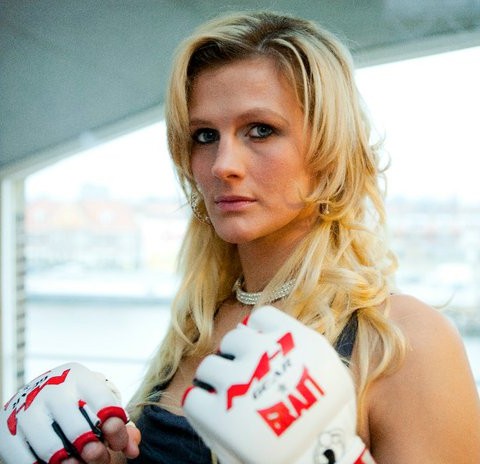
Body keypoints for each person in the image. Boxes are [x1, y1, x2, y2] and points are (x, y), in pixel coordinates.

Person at [1, 10, 480, 464]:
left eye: (260, 130)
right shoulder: (199, 321)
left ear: (328, 150)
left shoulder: (402, 340)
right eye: (205, 136)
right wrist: (89, 447)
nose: (223, 165)